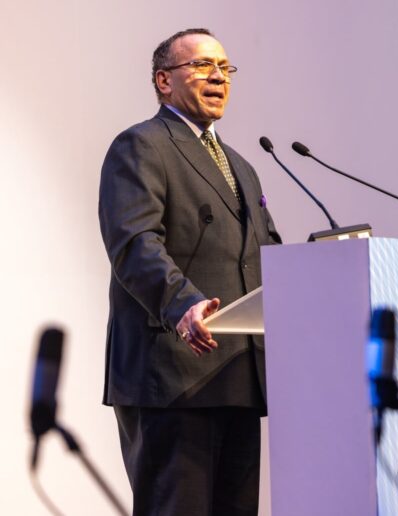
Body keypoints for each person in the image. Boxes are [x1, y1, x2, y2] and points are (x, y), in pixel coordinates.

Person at [99, 27, 281, 516]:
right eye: (202, 65)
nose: (218, 76)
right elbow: (134, 243)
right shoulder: (140, 146)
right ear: (164, 80)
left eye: (224, 67)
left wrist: (309, 282)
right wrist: (183, 303)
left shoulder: (242, 166)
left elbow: (265, 252)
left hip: (237, 374)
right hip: (173, 375)